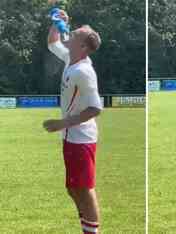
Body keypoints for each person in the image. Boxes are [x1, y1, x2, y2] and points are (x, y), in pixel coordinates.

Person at [43, 9, 103, 234]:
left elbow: (96, 108)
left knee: (84, 189)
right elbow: (52, 42)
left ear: (84, 47)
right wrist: (57, 22)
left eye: (74, 34)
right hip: (70, 136)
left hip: (82, 139)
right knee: (72, 188)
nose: (69, 34)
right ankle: (86, 226)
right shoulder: (71, 57)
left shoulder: (84, 72)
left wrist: (62, 123)